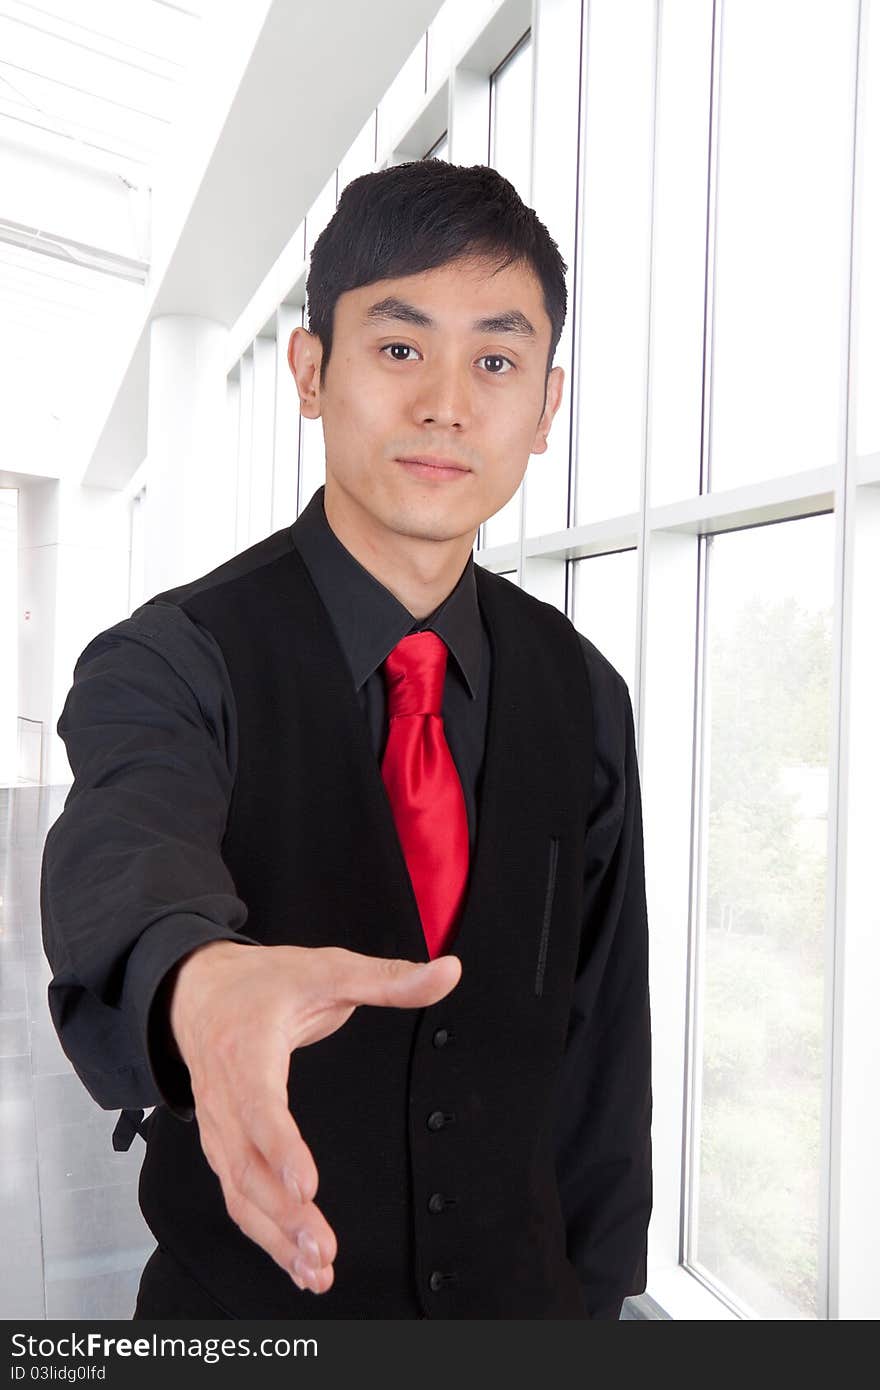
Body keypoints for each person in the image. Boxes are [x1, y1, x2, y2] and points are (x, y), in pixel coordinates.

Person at [40, 160, 652, 1321]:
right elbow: (126, 838)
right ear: (312, 372)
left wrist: (603, 1301)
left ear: (545, 407)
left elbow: (602, 1054)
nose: (446, 405)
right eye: (399, 347)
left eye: (496, 360)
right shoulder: (176, 656)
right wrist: (198, 981)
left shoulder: (586, 693)